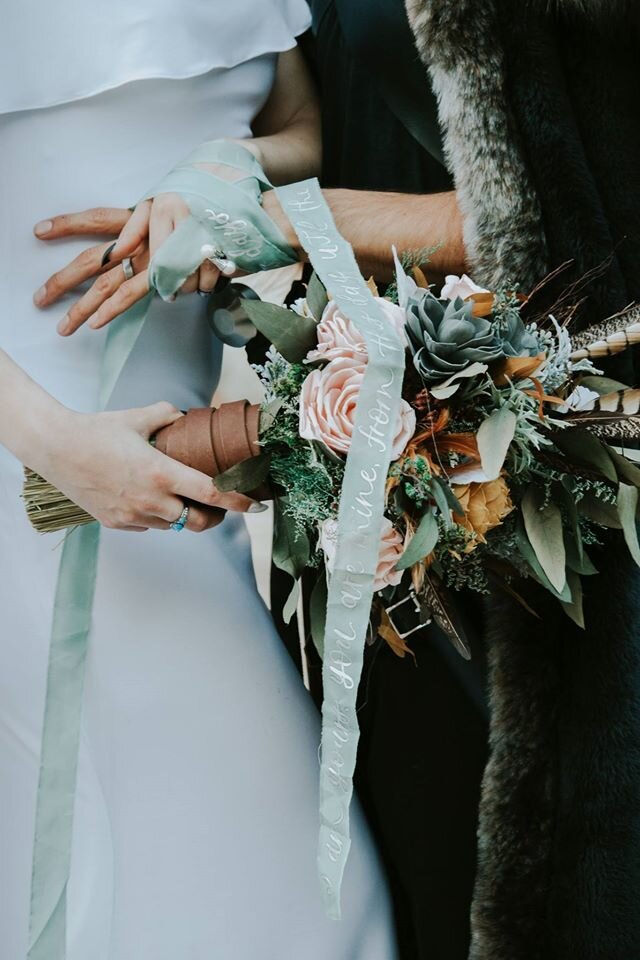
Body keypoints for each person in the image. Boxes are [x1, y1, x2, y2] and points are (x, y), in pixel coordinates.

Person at [37, 1, 640, 958]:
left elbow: (584, 204)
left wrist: (273, 204)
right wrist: (58, 445)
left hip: (543, 443)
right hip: (228, 481)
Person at [0, 3, 400, 958]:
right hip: (39, 471)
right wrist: (59, 446)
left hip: (176, 485)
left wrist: (229, 173)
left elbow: (295, 125)